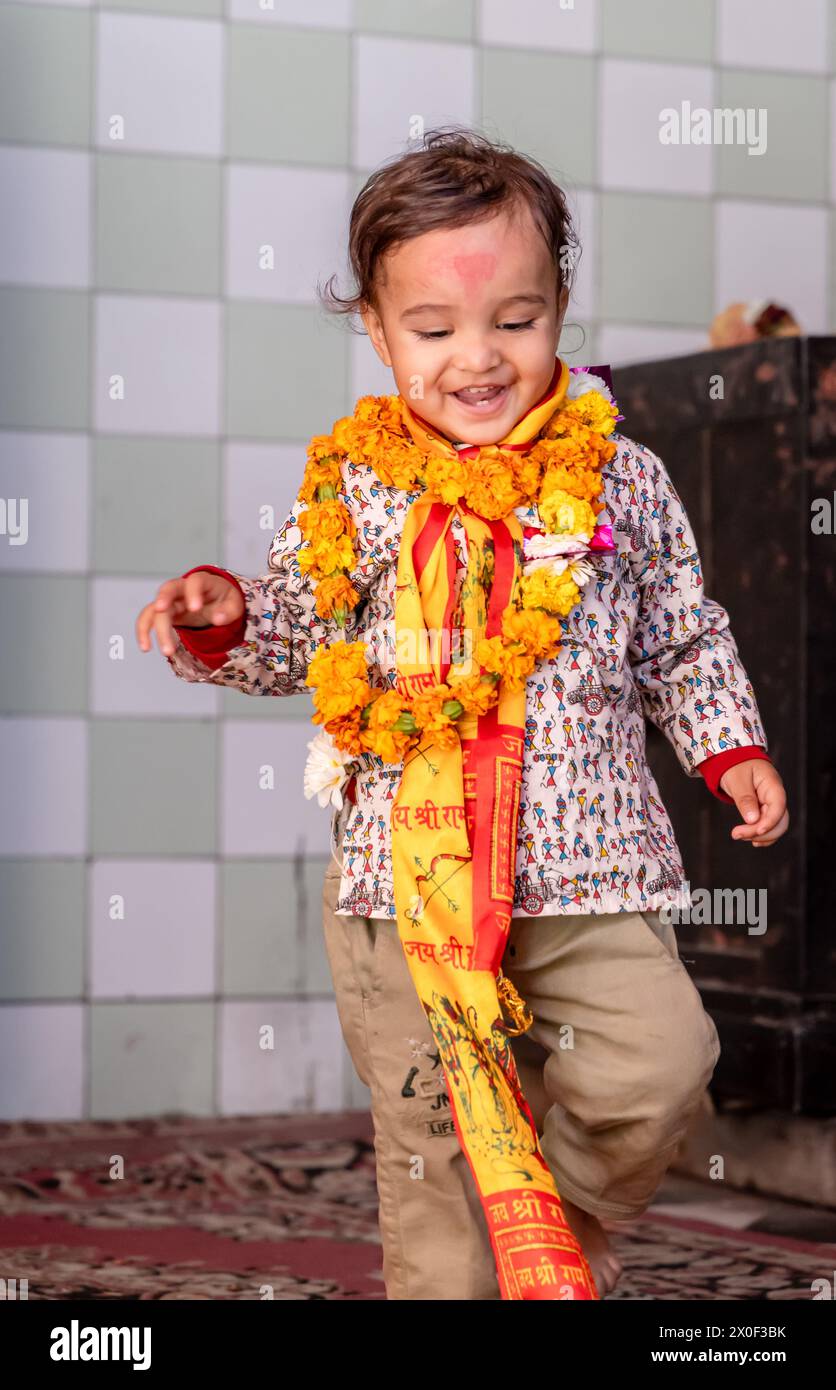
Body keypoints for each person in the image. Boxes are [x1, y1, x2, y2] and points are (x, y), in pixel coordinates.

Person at [135, 128, 789, 1301]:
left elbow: (680, 632)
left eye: (516, 321)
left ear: (561, 307)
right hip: (405, 884)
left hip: (586, 868)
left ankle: (549, 1211)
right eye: (432, 332)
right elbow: (299, 632)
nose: (477, 360)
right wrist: (226, 615)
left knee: (660, 1071)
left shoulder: (618, 477)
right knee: (430, 1150)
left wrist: (724, 744)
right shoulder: (352, 484)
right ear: (378, 333)